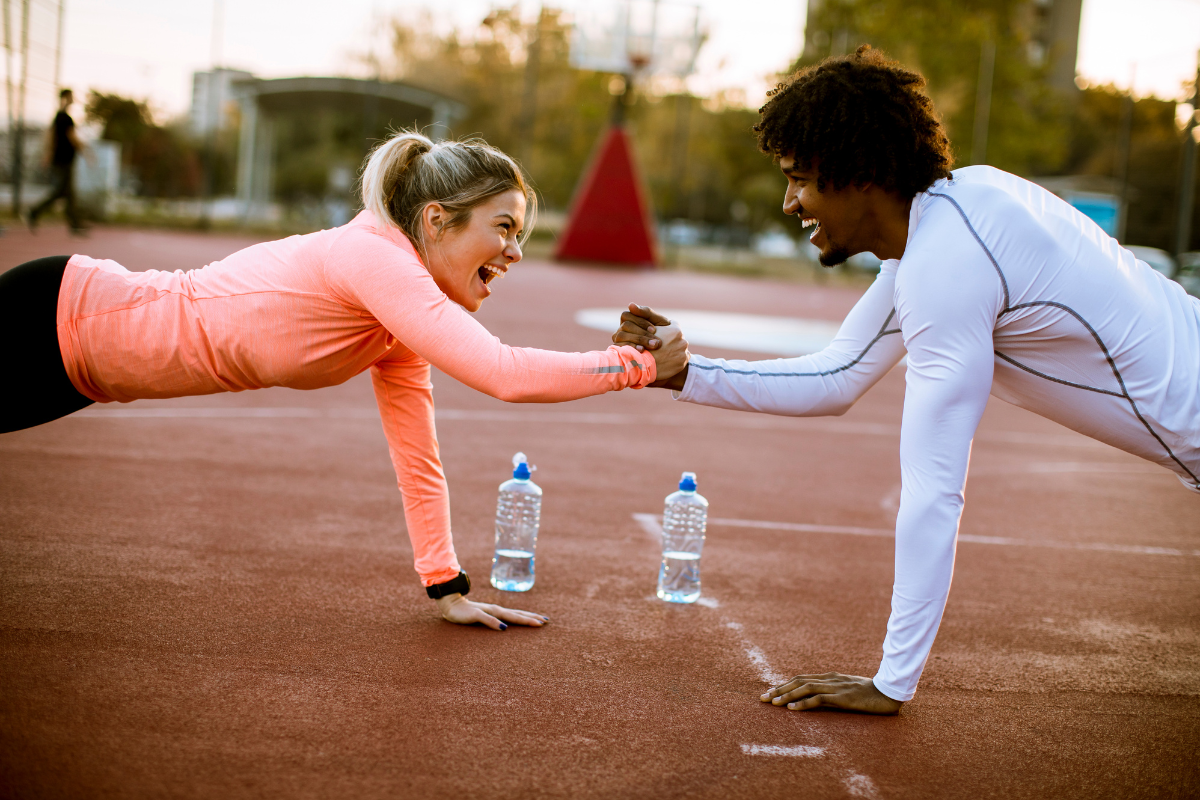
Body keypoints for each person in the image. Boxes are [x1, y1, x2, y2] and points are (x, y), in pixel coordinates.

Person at [616, 46, 1200, 715]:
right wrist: (684, 372)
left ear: (860, 172)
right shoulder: (951, 221)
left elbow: (933, 492)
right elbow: (835, 376)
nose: (789, 202)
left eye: (800, 178)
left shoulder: (945, 260)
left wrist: (892, 680)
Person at [1, 130, 690, 631]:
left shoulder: (396, 320)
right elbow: (500, 372)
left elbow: (418, 457)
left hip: (79, 375)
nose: (515, 251)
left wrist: (445, 586)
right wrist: (635, 367)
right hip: (54, 312)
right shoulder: (372, 255)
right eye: (504, 227)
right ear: (435, 220)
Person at [29, 88, 89, 234]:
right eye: (70, 97)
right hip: (63, 160)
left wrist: (48, 154)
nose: (72, 100)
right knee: (61, 192)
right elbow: (71, 137)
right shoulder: (65, 118)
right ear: (65, 98)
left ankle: (74, 223)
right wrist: (86, 151)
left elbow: (51, 137)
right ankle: (34, 212)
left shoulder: (58, 117)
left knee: (68, 193)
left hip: (62, 159)